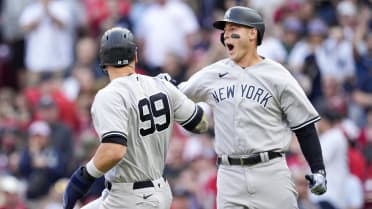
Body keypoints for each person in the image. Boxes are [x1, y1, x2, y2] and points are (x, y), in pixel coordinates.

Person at [160, 6, 327, 209]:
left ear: (252, 33)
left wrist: (318, 169)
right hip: (230, 175)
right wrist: (166, 85)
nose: (226, 35)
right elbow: (180, 93)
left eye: (233, 29)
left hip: (270, 172)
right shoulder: (214, 73)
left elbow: (304, 125)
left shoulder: (277, 75)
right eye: (225, 31)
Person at [62, 26, 209, 209]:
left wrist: (83, 177)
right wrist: (174, 92)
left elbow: (114, 150)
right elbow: (201, 124)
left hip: (130, 197)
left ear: (103, 62)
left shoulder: (109, 95)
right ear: (135, 57)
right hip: (156, 191)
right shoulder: (162, 85)